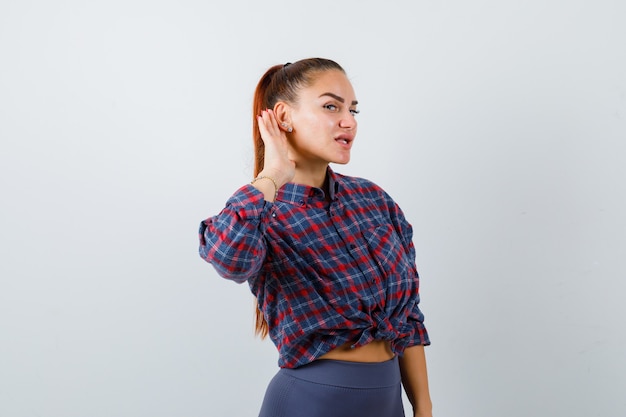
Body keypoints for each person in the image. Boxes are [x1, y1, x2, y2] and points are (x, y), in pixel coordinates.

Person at [198, 58, 432, 417]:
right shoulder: (261, 211)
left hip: (388, 403)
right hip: (309, 403)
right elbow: (229, 260)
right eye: (330, 106)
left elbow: (408, 319)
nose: (349, 121)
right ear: (283, 117)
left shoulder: (374, 200)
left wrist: (424, 407)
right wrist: (273, 173)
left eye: (352, 109)